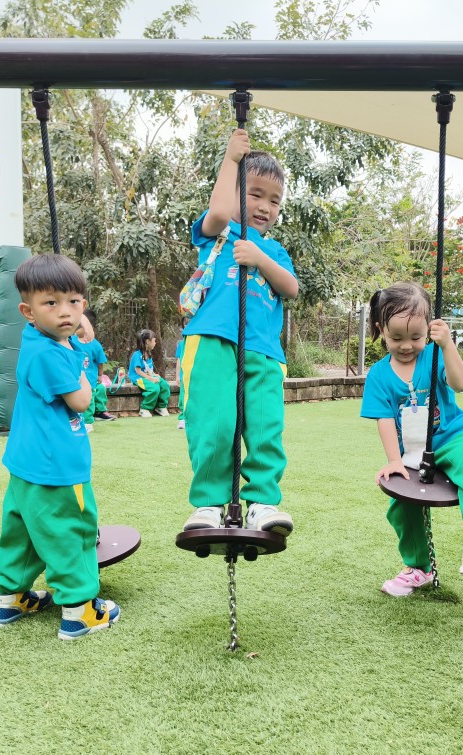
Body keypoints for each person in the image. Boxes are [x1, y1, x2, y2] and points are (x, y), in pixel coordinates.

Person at [0, 252, 120, 640]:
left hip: (26, 464)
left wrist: (73, 336)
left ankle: (9, 599)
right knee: (72, 531)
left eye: (73, 302)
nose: (65, 312)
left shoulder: (36, 341)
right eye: (51, 303)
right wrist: (83, 360)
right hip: (57, 467)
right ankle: (80, 610)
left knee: (24, 533)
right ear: (28, 311)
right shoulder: (52, 354)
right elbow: (80, 401)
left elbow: (65, 335)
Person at [181, 129, 299, 536]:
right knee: (214, 423)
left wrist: (260, 257)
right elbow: (218, 210)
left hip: (264, 350)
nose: (265, 206)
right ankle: (209, 504)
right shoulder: (220, 232)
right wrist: (231, 160)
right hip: (213, 338)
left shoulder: (275, 250)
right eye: (255, 194)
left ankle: (262, 501)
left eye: (274, 200)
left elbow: (291, 288)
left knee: (266, 427)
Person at [360, 282, 463, 596]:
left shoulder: (435, 355)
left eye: (416, 337)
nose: (406, 346)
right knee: (401, 503)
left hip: (453, 435)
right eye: (396, 338)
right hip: (413, 450)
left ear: (428, 330)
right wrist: (394, 461)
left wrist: (447, 345)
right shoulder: (379, 375)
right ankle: (418, 568)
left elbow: (459, 383)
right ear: (381, 330)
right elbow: (384, 420)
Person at [77, 309, 117, 431]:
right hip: (76, 378)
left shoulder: (95, 345)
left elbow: (100, 362)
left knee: (90, 398)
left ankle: (88, 422)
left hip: (91, 379)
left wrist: (100, 375)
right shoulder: (70, 341)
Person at [129, 329, 171, 418]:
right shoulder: (137, 355)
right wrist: (151, 378)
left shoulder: (148, 354)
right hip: (138, 378)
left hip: (148, 377)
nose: (155, 342)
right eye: (154, 340)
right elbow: (138, 371)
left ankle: (161, 406)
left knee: (164, 385)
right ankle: (144, 408)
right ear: (148, 341)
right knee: (154, 388)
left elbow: (148, 369)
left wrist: (154, 375)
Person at [174, 317, 186, 430]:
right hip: (184, 377)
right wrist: (177, 376)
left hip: (195, 377)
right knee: (183, 397)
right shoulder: (181, 344)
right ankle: (182, 419)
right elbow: (179, 360)